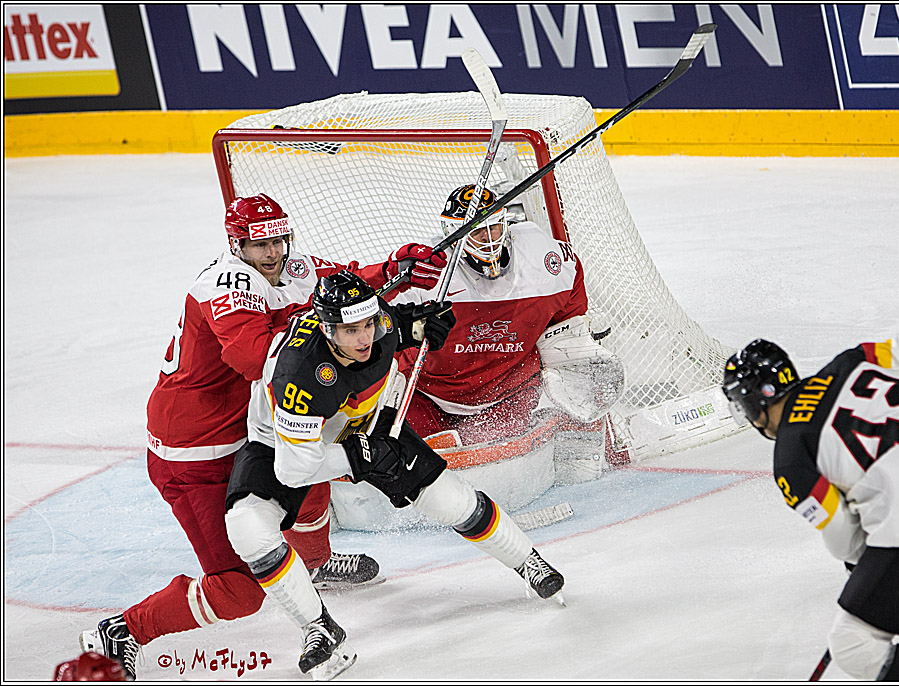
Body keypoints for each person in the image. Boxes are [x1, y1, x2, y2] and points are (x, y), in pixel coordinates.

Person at [79, 194, 447, 680]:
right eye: (259, 244)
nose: (272, 253)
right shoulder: (227, 285)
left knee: (311, 476)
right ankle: (122, 631)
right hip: (193, 451)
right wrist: (378, 330)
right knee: (239, 590)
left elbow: (345, 284)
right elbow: (260, 359)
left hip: (248, 429)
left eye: (278, 239)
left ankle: (313, 565)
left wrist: (394, 266)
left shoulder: (293, 266)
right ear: (237, 245)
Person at [223, 271, 565, 679]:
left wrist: (425, 325)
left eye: (368, 324)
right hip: (281, 445)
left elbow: (400, 324)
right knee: (247, 527)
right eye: (351, 330)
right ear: (326, 328)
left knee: (449, 500)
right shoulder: (300, 375)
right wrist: (355, 457)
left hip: (366, 424)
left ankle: (528, 561)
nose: (365, 338)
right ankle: (317, 627)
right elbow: (295, 469)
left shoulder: (375, 323)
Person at [721, 325, 899, 680]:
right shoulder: (853, 363)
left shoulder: (791, 458)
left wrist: (860, 562)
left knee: (855, 644)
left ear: (756, 401)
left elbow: (846, 538)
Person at [391, 184, 625, 445]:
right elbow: (380, 331)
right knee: (418, 455)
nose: (490, 239)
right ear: (453, 234)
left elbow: (571, 292)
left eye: (495, 226)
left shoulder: (543, 259)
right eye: (478, 231)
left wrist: (571, 337)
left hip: (509, 392)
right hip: (428, 394)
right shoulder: (424, 275)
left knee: (495, 446)